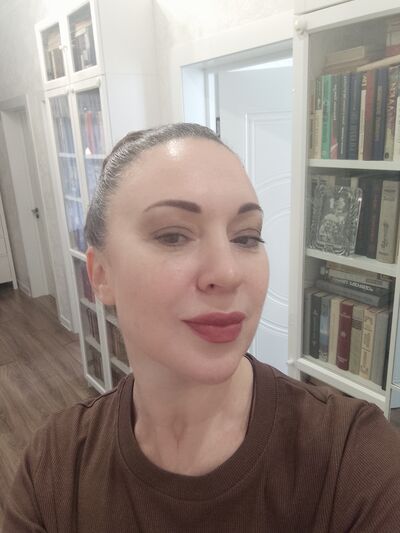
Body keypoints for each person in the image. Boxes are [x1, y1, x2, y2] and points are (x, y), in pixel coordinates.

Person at [3, 123, 400, 533]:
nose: (227, 273)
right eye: (173, 236)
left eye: (246, 237)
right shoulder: (55, 468)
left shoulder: (353, 456)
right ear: (101, 274)